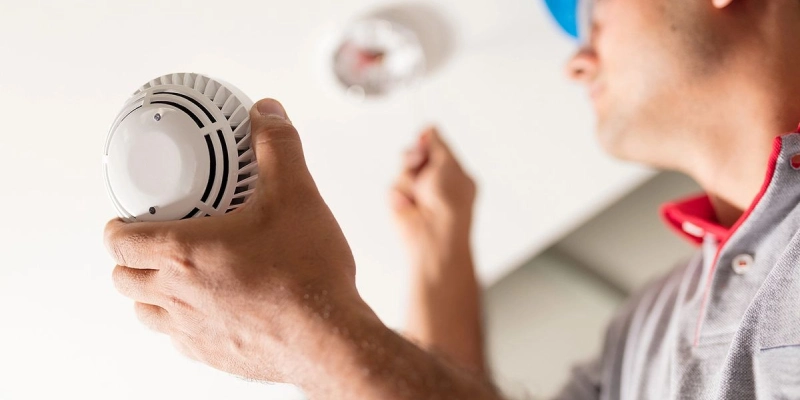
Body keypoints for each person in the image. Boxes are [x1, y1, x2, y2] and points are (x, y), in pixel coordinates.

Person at [103, 0, 800, 397]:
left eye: (593, 19)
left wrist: (308, 333)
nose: (576, 59)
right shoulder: (648, 323)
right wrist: (441, 260)